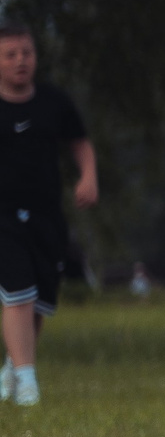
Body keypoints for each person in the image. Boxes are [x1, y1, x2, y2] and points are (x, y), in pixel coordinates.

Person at [0, 21, 98, 406]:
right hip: (3, 216)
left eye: (26, 52)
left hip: (47, 215)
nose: (20, 61)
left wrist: (88, 176)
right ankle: (27, 383)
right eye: (10, 55)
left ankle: (13, 366)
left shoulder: (53, 101)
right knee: (18, 291)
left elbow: (80, 142)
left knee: (40, 298)